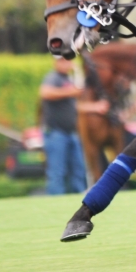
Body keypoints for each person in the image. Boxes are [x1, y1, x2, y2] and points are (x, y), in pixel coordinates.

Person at [39, 57, 106, 194]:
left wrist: (94, 107)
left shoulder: (68, 80)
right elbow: (45, 92)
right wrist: (71, 92)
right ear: (56, 63)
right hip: (56, 133)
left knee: (79, 170)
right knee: (57, 173)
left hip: (71, 133)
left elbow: (73, 107)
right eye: (62, 61)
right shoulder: (53, 78)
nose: (66, 63)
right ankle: (55, 204)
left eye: (68, 60)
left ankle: (79, 202)